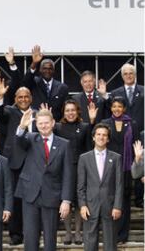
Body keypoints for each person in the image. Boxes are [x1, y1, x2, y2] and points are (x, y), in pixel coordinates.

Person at [15, 109, 73, 251]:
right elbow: (19, 141)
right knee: (30, 237)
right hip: (30, 195)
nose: (44, 126)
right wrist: (22, 127)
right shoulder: (30, 138)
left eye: (46, 123)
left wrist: (66, 200)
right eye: (40, 123)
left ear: (53, 123)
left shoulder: (64, 144)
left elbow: (68, 174)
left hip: (52, 195)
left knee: (50, 238)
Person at [0, 85, 36, 245]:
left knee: (32, 199)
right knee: (16, 199)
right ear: (15, 99)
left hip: (34, 161)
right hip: (15, 162)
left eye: (26, 97)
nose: (23, 99)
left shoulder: (38, 113)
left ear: (31, 98)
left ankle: (32, 232)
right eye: (20, 97)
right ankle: (15, 234)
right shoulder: (9, 111)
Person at [77, 123, 123, 251]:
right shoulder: (84, 158)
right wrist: (82, 205)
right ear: (93, 137)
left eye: (104, 135)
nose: (101, 137)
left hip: (110, 205)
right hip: (90, 206)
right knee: (90, 243)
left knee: (110, 243)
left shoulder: (116, 158)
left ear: (108, 139)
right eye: (98, 134)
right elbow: (81, 186)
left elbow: (119, 185)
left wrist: (117, 206)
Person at [101, 96, 139, 243]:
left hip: (126, 168)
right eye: (114, 106)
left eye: (119, 106)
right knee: (109, 199)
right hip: (108, 167)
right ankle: (111, 234)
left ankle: (122, 235)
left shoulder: (132, 124)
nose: (116, 109)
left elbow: (137, 145)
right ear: (110, 108)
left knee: (124, 201)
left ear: (124, 108)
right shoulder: (105, 123)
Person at [54, 99, 92, 245]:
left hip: (80, 168)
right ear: (64, 112)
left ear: (77, 111)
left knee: (78, 200)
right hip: (63, 169)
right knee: (66, 200)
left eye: (73, 110)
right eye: (67, 110)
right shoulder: (58, 127)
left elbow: (89, 149)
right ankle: (68, 233)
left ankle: (78, 233)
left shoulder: (85, 127)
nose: (70, 113)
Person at [23, 45, 69, 121]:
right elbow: (26, 81)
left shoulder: (62, 87)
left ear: (53, 71)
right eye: (44, 68)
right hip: (36, 122)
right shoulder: (34, 82)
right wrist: (34, 63)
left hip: (55, 124)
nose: (47, 71)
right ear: (40, 70)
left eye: (50, 69)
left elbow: (65, 109)